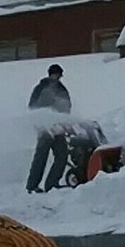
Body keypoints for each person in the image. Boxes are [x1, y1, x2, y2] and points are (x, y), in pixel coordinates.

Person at [26, 65, 72, 193]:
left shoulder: (62, 90)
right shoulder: (41, 88)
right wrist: (41, 122)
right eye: (56, 75)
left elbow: (67, 107)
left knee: (62, 155)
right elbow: (32, 107)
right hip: (44, 128)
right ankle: (32, 186)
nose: (58, 77)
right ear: (50, 74)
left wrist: (65, 121)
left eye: (59, 75)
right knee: (41, 156)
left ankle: (52, 184)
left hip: (58, 128)